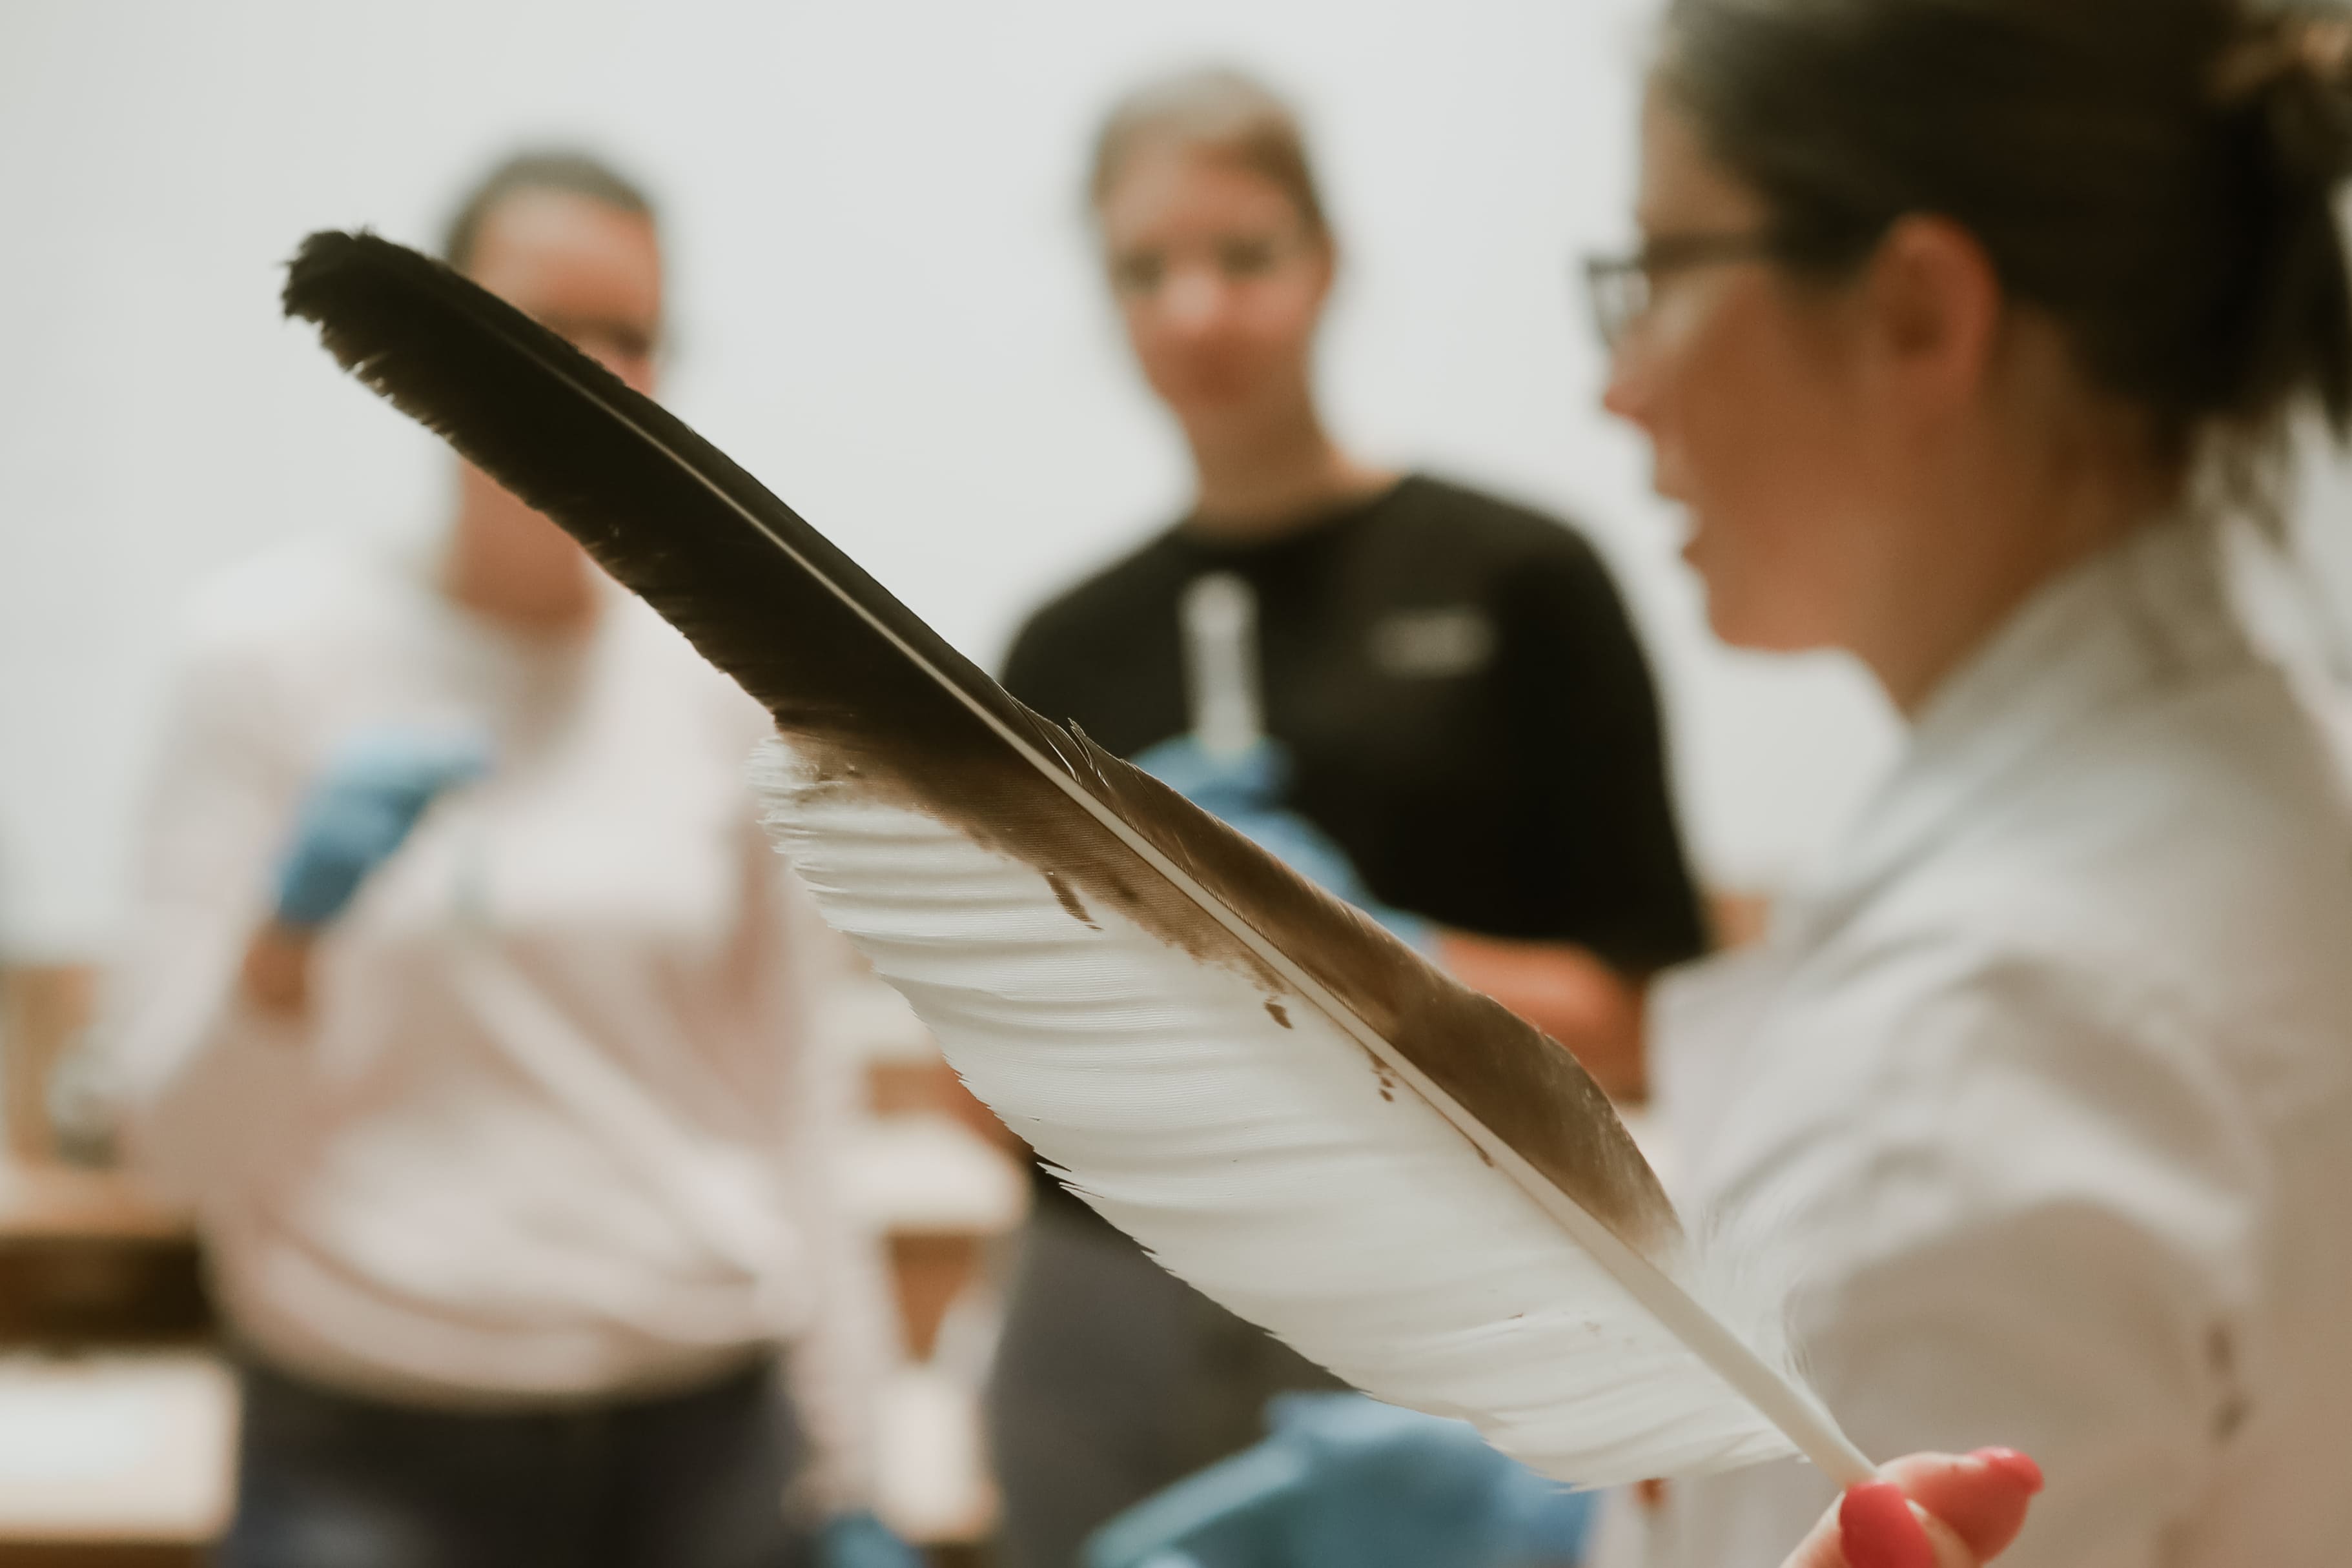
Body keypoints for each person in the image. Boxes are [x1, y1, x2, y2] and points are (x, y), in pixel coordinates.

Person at [1089, 1, 2352, 1565]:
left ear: (1915, 315)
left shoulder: (1960, 1059)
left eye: (1655, 276)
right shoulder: (2248, 783)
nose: (1619, 386)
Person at [106, 152, 917, 1568]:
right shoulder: (268, 660)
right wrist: (284, 941)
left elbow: (797, 1098)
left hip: (705, 1448)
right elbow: (172, 1152)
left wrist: (857, 1477)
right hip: (370, 1457)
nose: (587, 377)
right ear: (431, 345)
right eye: (540, 328)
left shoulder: (728, 686)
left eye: (631, 335)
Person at [987, 66, 1711, 1568]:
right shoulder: (1060, 655)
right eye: (1144, 270)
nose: (1197, 311)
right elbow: (987, 1080)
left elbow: (1649, 1022)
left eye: (1243, 254)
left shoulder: (1520, 581)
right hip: (1117, 1325)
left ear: (1325, 262)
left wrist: (1372, 964)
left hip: (1447, 1314)